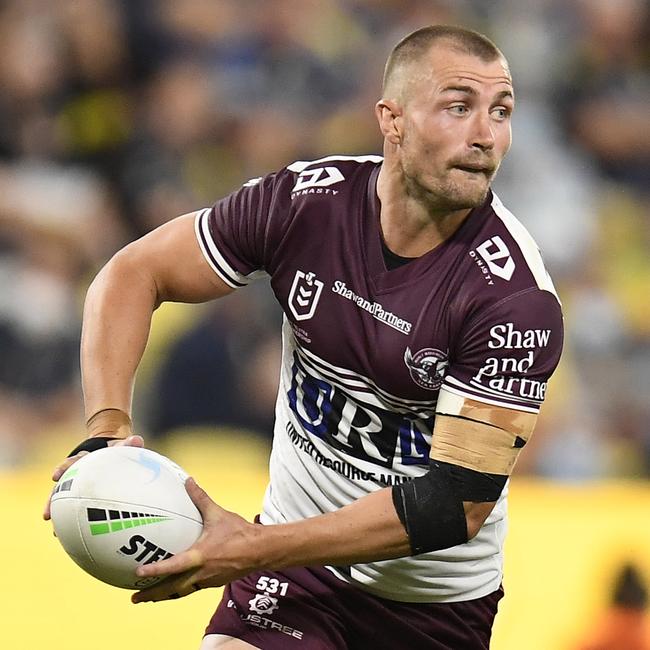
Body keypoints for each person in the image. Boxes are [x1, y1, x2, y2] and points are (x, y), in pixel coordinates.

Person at [44, 25, 563, 650]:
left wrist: (252, 548)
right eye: (459, 107)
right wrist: (106, 427)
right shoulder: (305, 204)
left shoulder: (512, 296)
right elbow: (134, 271)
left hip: (431, 609)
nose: (486, 135)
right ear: (391, 120)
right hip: (294, 576)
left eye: (501, 112)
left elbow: (452, 505)